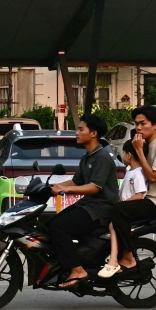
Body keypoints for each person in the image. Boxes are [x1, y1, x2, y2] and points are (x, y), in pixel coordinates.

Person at [48, 113, 120, 289]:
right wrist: (51, 186)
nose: (77, 133)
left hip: (100, 209)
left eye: (81, 129)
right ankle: (76, 261)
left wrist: (66, 189)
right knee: (50, 224)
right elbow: (76, 181)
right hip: (88, 206)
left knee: (59, 227)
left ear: (93, 133)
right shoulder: (87, 156)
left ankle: (78, 269)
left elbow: (95, 187)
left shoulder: (102, 157)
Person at [108, 105, 156, 273]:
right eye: (136, 123)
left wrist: (139, 150)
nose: (138, 127)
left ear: (155, 125)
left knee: (119, 210)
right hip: (148, 199)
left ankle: (127, 257)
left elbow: (153, 177)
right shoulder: (146, 145)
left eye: (143, 123)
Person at [97, 140, 148, 278]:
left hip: (127, 211)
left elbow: (139, 195)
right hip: (121, 208)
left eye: (124, 153)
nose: (123, 156)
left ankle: (113, 260)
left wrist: (121, 205)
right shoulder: (129, 171)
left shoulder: (138, 173)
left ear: (130, 155)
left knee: (113, 225)